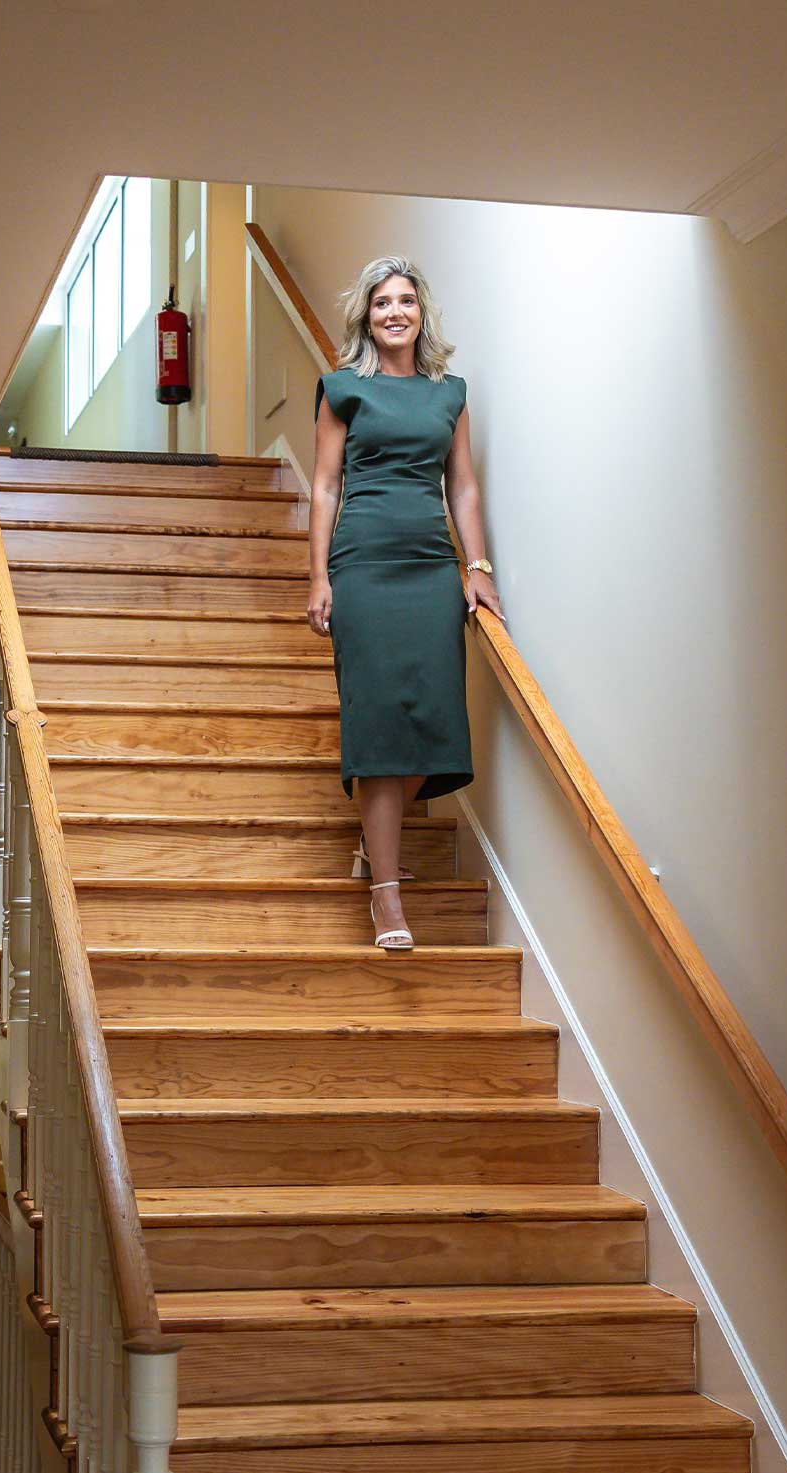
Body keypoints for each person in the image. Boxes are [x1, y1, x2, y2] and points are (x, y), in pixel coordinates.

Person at [303, 256, 499, 952]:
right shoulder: (342, 389)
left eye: (406, 301)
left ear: (422, 313)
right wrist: (318, 575)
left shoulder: (450, 393)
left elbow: (464, 488)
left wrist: (476, 567)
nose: (395, 311)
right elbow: (325, 486)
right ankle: (386, 892)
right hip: (362, 566)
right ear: (366, 314)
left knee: (433, 718)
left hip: (428, 569)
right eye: (382, 301)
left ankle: (372, 850)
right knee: (381, 724)